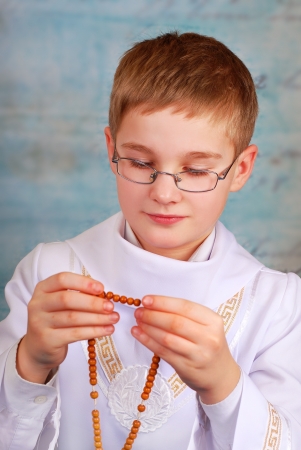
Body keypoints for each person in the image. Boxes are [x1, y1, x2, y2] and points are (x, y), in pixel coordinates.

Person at [0, 31, 300, 450]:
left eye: (196, 171)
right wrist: (30, 361)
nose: (164, 193)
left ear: (241, 169)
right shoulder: (50, 274)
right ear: (111, 150)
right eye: (142, 162)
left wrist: (224, 383)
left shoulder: (276, 305)